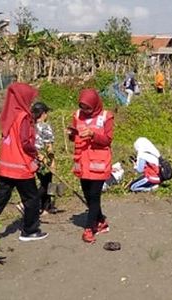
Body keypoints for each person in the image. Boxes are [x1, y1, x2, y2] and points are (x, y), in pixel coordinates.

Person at [0, 82, 48, 242]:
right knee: (32, 198)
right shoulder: (24, 116)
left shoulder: (8, 114)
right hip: (20, 166)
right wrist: (36, 154)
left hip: (6, 165)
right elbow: (26, 142)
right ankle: (29, 230)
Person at [68, 89, 114, 243]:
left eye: (87, 107)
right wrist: (72, 134)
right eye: (82, 107)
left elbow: (108, 140)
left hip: (99, 163)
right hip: (82, 163)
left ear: (95, 105)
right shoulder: (77, 115)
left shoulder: (106, 116)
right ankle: (101, 221)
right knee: (88, 196)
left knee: (94, 197)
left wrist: (93, 135)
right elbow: (74, 137)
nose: (85, 110)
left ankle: (89, 229)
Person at [32, 101, 58, 215]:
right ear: (43, 114)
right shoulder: (45, 127)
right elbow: (49, 147)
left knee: (45, 180)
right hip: (43, 158)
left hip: (33, 157)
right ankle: (29, 203)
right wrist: (52, 161)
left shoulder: (30, 126)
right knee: (45, 184)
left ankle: (46, 206)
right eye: (46, 112)